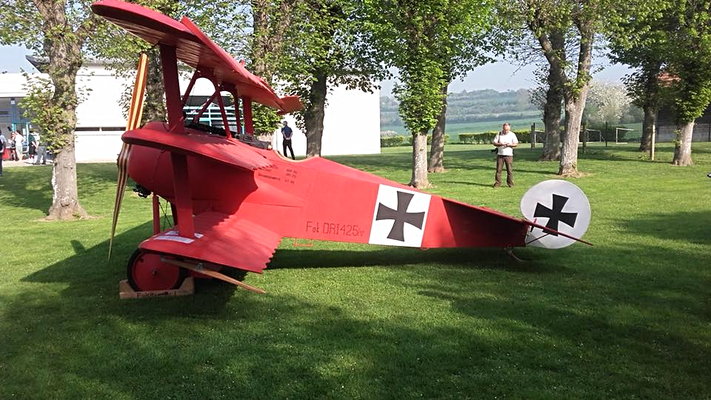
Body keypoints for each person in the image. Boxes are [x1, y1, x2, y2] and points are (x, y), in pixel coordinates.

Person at [492, 122, 518, 188]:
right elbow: (494, 143)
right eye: (505, 129)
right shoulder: (499, 134)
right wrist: (501, 144)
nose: (506, 131)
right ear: (503, 128)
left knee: (509, 170)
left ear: (509, 129)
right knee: (498, 170)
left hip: (509, 155)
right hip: (500, 155)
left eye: (507, 130)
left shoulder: (512, 135)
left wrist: (509, 145)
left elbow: (516, 144)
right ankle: (497, 184)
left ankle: (510, 184)